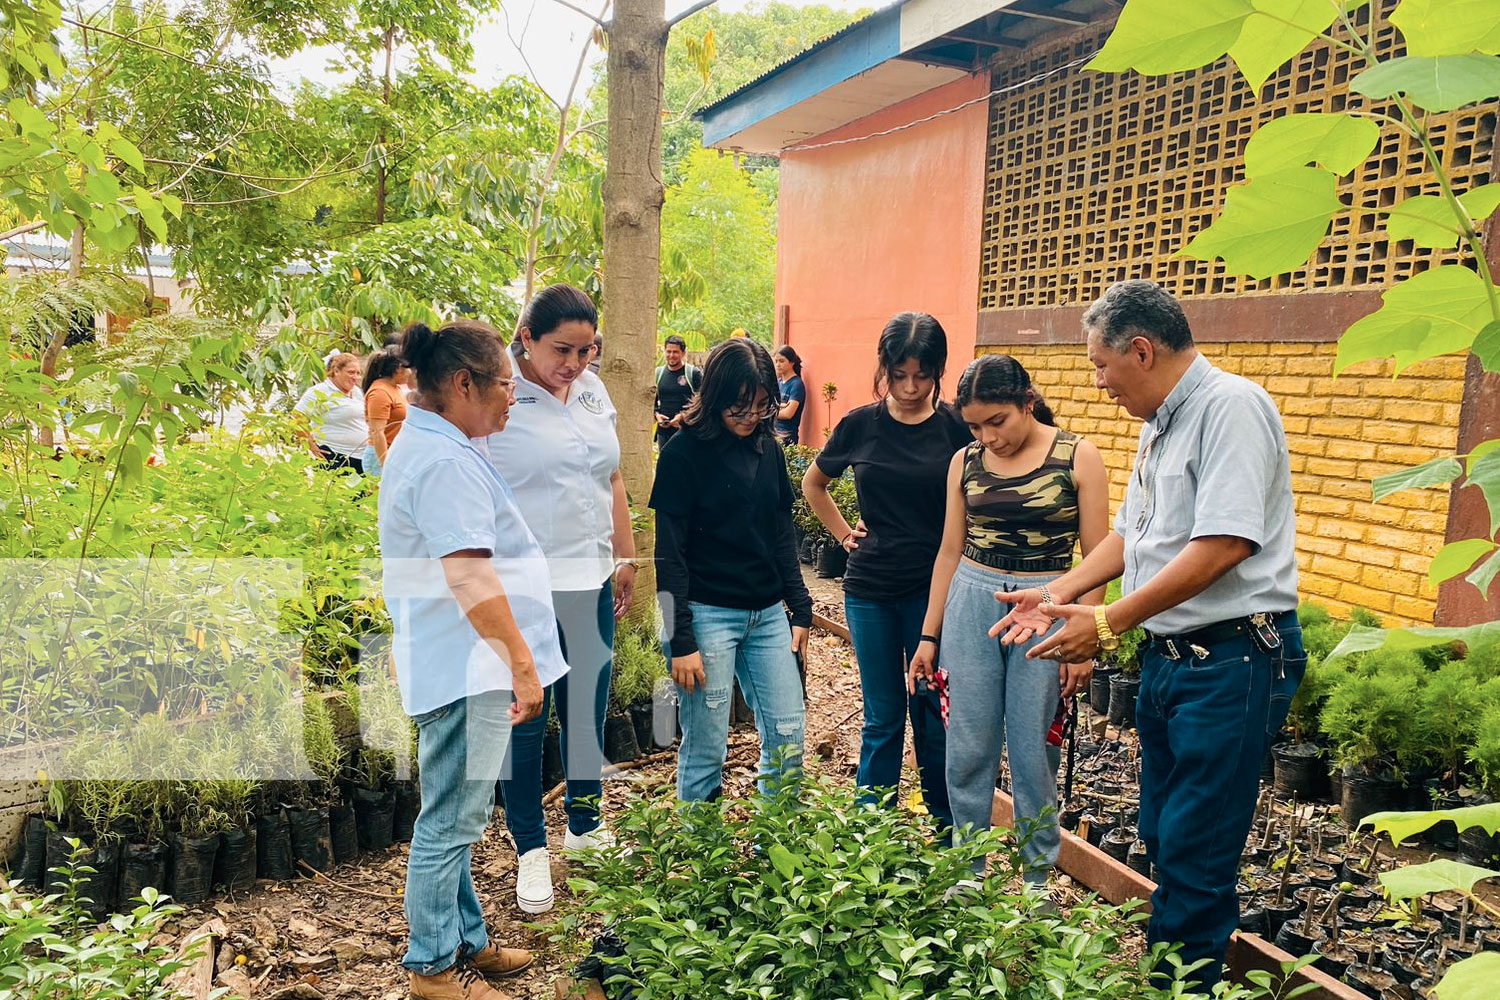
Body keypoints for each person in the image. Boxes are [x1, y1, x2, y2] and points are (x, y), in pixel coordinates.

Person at [991, 280, 1304, 990]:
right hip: (1173, 661)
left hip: (1231, 661)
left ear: (1142, 349)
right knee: (1163, 833)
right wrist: (1058, 591)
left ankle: (1178, 986)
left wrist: (1108, 621)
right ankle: (1173, 971)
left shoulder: (1233, 409)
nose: (1097, 383)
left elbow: (1224, 543)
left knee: (1196, 852)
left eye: (1101, 365)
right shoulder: (1160, 422)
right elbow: (1137, 535)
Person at [379, 319, 561, 1000]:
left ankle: (468, 940)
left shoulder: (437, 443)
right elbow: (469, 578)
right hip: (466, 663)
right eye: (508, 385)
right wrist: (520, 660)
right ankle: (430, 969)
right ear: (464, 384)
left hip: (453, 658)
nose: (515, 397)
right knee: (450, 820)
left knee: (453, 810)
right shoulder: (445, 460)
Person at [907, 354, 1109, 887]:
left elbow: (1096, 557)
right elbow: (949, 552)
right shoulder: (965, 461)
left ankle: (1036, 882)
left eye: (997, 421)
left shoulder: (1078, 456)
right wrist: (930, 633)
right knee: (967, 745)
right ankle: (967, 873)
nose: (988, 436)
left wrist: (1082, 640)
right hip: (972, 603)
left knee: (1033, 747)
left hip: (1046, 608)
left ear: (1027, 401)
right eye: (975, 425)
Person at [486, 284, 636, 915]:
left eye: (587, 349)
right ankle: (529, 849)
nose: (574, 363)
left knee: (586, 706)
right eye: (562, 350)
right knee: (526, 714)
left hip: (590, 577)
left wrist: (623, 555)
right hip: (524, 588)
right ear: (526, 339)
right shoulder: (501, 400)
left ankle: (583, 824)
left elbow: (611, 475)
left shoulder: (594, 390)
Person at [801, 313, 972, 835]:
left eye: (923, 375)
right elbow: (814, 485)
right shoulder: (860, 424)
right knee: (883, 714)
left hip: (933, 590)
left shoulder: (956, 427)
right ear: (885, 370)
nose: (912, 387)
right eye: (900, 375)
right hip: (871, 590)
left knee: (931, 712)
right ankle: (870, 837)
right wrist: (843, 537)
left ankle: (948, 834)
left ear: (939, 372)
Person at [650, 338, 812, 802]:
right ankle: (704, 860)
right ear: (716, 395)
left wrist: (800, 608)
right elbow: (670, 556)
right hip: (705, 616)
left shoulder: (769, 452)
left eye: (761, 407)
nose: (749, 417)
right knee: (706, 747)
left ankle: (775, 848)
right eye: (739, 406)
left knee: (788, 737)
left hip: (766, 616)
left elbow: (782, 536)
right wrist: (680, 639)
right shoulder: (682, 455)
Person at [295, 352, 367, 473]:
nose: (355, 377)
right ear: (337, 371)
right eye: (351, 372)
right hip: (333, 456)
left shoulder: (357, 392)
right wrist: (310, 444)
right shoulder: (319, 391)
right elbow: (297, 416)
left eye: (358, 373)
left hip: (359, 457)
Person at [362, 348, 412, 479]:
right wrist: (385, 463)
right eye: (407, 368)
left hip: (393, 453)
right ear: (397, 369)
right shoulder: (380, 392)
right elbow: (377, 432)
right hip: (380, 456)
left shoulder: (394, 388)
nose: (410, 372)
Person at [653, 335, 700, 450]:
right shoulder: (658, 374)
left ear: (683, 353)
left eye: (675, 352)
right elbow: (651, 402)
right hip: (663, 433)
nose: (671, 355)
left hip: (686, 431)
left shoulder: (693, 373)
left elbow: (703, 400)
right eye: (668, 352)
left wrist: (683, 416)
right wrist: (657, 415)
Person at [772, 345, 805, 446]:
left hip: (787, 436)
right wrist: (781, 406)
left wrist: (770, 411)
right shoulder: (778, 382)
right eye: (776, 361)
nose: (778, 364)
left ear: (792, 362)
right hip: (773, 432)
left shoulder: (796, 384)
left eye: (782, 361)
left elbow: (788, 414)